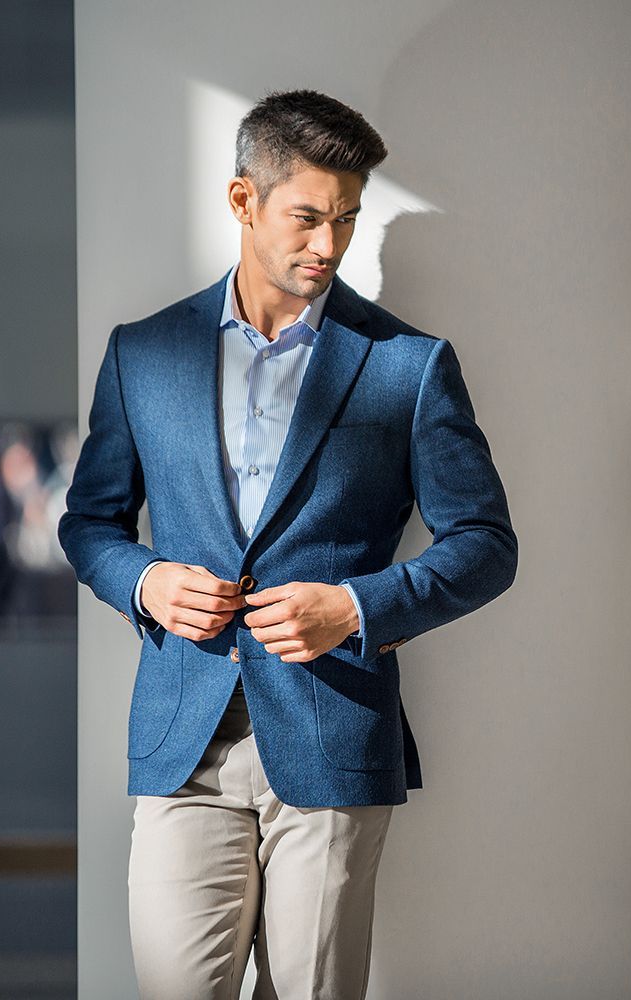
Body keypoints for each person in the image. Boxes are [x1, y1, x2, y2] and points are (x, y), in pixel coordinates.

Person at [58, 88, 517, 1000]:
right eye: (307, 217)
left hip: (329, 733)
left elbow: (486, 543)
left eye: (346, 219)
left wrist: (355, 607)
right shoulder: (143, 353)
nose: (329, 245)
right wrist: (146, 583)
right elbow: (89, 523)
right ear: (243, 202)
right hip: (183, 742)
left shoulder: (408, 366)